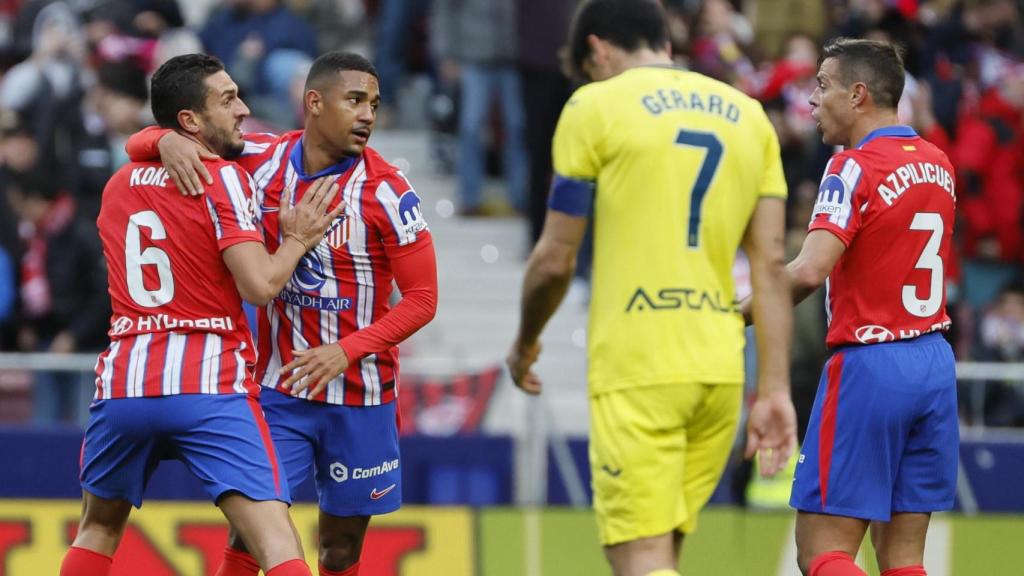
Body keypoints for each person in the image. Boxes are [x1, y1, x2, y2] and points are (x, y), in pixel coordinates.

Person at [505, 2, 797, 575]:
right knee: (665, 552)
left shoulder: (595, 104)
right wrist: (776, 390)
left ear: (597, 49)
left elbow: (555, 258)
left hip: (638, 364)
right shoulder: (748, 115)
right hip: (719, 370)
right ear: (665, 41)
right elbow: (771, 263)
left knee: (637, 556)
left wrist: (525, 342)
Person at [126, 51, 439, 576]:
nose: (368, 115)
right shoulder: (260, 157)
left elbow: (423, 299)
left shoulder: (389, 192)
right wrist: (164, 139)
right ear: (313, 103)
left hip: (359, 394)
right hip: (279, 390)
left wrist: (345, 351)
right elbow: (137, 144)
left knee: (340, 550)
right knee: (252, 534)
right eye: (355, 100)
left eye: (375, 105)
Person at [60, 53, 344, 576]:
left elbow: (142, 148)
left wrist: (155, 138)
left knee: (97, 529)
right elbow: (259, 287)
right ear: (190, 120)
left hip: (125, 382)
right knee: (277, 543)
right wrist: (298, 241)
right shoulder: (223, 180)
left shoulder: (116, 185)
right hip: (206, 381)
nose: (243, 109)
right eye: (228, 98)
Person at [742, 38, 959, 576]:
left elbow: (810, 271)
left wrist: (729, 314)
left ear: (858, 94)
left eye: (822, 86)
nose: (812, 101)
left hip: (871, 363)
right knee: (904, 556)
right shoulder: (938, 163)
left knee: (823, 550)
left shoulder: (852, 168)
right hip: (933, 363)